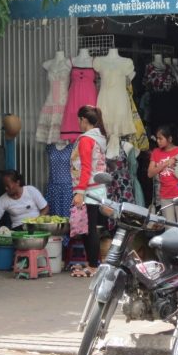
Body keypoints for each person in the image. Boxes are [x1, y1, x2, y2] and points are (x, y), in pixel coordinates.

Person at [70, 105, 107, 278]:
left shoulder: (86, 140)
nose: (78, 123)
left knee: (89, 229)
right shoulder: (99, 138)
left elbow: (85, 168)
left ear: (84, 120)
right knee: (89, 228)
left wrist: (80, 192)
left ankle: (93, 265)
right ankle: (92, 263)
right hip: (96, 188)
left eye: (79, 120)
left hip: (89, 189)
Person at [148, 124, 178, 223]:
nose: (158, 141)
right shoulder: (156, 152)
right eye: (157, 138)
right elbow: (150, 173)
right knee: (169, 227)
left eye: (160, 138)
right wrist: (165, 164)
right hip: (165, 195)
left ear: (169, 139)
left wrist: (177, 164)